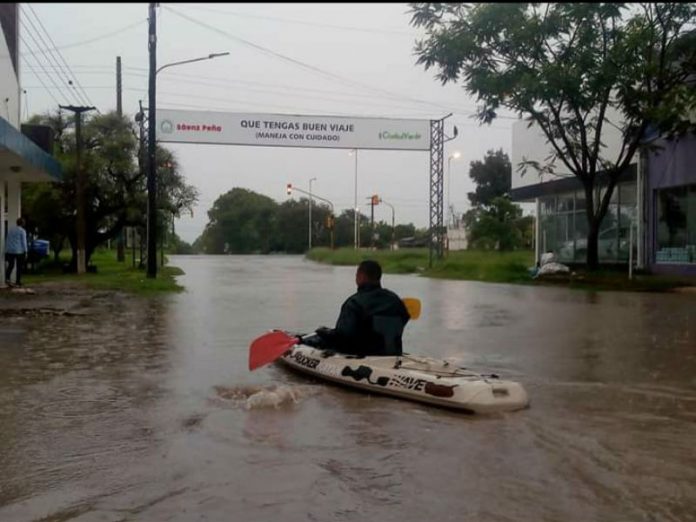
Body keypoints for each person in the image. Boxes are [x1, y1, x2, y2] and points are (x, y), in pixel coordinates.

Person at [312, 260, 410, 356]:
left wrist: (323, 333)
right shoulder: (394, 299)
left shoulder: (354, 303)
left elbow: (343, 335)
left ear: (361, 276)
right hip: (392, 355)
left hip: (360, 356)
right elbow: (404, 318)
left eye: (356, 275)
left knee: (321, 339)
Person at [5, 217, 28, 287]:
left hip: (10, 251)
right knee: (19, 266)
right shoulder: (22, 231)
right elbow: (24, 242)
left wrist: (7, 249)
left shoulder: (11, 230)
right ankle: (18, 281)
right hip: (19, 251)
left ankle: (7, 278)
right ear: (23, 223)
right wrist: (26, 251)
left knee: (11, 265)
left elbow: (8, 239)